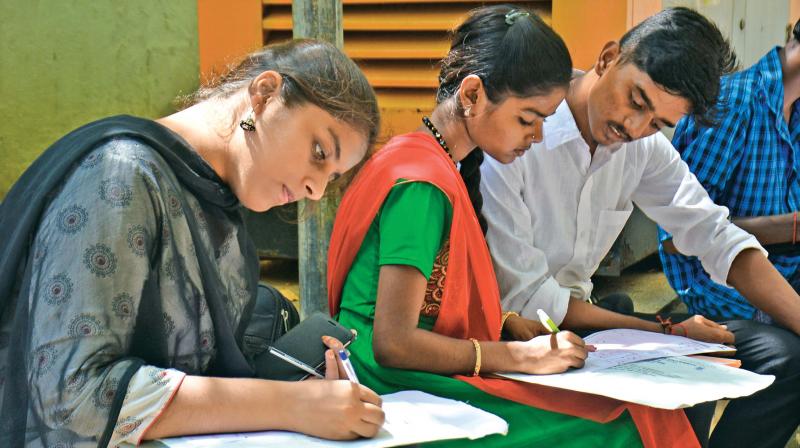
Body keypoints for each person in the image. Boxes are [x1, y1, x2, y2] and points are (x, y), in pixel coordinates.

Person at [328, 6, 701, 447]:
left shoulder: (435, 163)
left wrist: (505, 322)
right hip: (394, 381)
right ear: (471, 95)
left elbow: (431, 302)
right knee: (626, 422)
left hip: (420, 366)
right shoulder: (422, 184)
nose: (538, 136)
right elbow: (394, 342)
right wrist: (516, 356)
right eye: (528, 119)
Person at [0, 39, 385, 447]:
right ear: (265, 94)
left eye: (334, 178)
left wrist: (303, 386)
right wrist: (291, 404)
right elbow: (72, 398)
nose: (315, 189)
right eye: (319, 151)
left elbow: (198, 374)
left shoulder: (217, 206)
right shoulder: (119, 177)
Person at [479, 7, 800, 448]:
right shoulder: (520, 130)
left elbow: (714, 234)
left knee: (786, 355)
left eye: (659, 123)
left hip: (586, 318)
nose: (634, 127)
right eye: (636, 100)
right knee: (686, 383)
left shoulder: (641, 146)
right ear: (609, 58)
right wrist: (670, 333)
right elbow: (533, 301)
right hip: (520, 332)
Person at [659, 19, 800, 325]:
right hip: (720, 287)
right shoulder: (735, 103)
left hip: (784, 272)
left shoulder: (794, 114)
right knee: (787, 357)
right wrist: (789, 227)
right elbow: (676, 237)